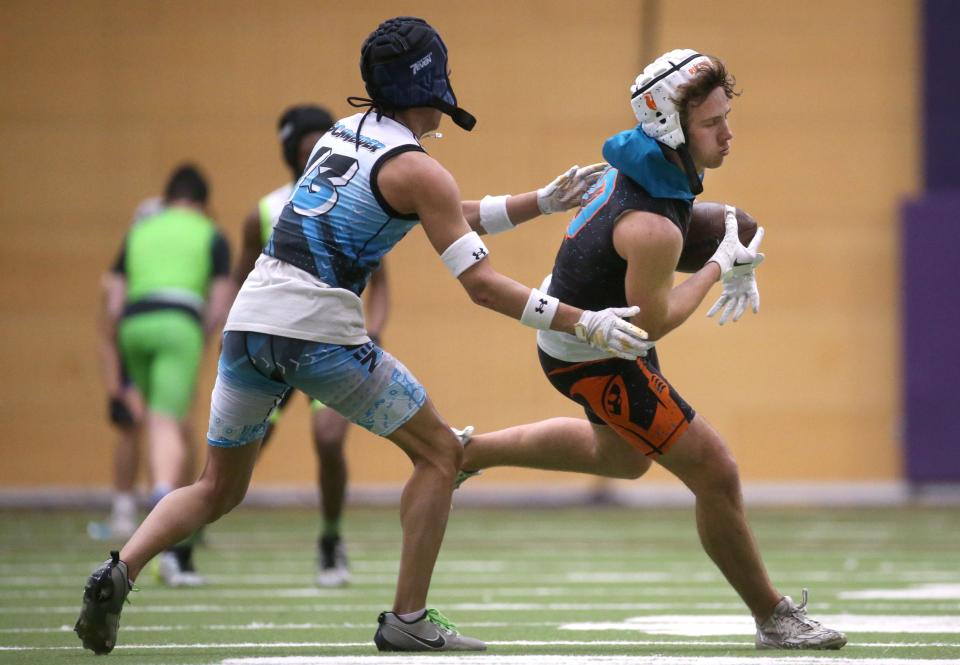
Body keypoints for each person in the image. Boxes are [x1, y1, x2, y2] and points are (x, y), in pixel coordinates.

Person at [74, 15, 649, 655]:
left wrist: (537, 201)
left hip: (249, 323)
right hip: (316, 331)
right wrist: (582, 319)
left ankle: (120, 568)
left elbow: (434, 212)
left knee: (217, 486)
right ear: (430, 86)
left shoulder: (343, 136)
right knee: (440, 453)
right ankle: (408, 619)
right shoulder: (419, 170)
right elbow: (481, 284)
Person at [454, 50, 848, 651]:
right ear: (671, 127)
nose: (727, 131)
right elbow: (653, 322)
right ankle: (773, 616)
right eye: (712, 123)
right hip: (595, 347)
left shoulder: (650, 169)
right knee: (715, 471)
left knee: (625, 458)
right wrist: (718, 267)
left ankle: (470, 452)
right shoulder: (651, 224)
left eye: (725, 116)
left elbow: (717, 221)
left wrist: (738, 237)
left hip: (593, 334)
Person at [232, 104, 391, 587]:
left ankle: (330, 537)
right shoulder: (265, 210)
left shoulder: (352, 202)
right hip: (272, 348)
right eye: (305, 151)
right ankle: (183, 546)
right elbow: (241, 280)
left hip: (330, 343)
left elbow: (381, 282)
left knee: (328, 440)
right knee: (241, 450)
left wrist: (374, 329)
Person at [98, 165, 233, 587]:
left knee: (160, 422)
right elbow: (220, 300)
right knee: (165, 422)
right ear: (203, 202)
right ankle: (163, 516)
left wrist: (120, 351)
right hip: (180, 323)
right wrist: (200, 335)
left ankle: (179, 517)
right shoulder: (210, 234)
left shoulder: (140, 231)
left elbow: (114, 297)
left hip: (134, 325)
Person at [90, 198, 165, 542]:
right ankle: (123, 509)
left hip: (161, 356)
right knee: (129, 427)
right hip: (130, 360)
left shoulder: (170, 273)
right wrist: (115, 385)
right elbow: (107, 335)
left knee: (171, 426)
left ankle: (173, 508)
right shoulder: (116, 279)